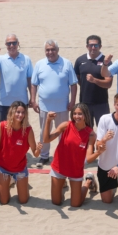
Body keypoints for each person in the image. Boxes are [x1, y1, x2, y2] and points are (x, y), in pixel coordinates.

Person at [31, 39, 78, 168]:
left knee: (63, 132)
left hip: (63, 107)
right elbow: (34, 84)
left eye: (52, 49)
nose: (50, 52)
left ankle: (62, 154)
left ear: (57, 50)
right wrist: (33, 101)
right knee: (44, 132)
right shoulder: (40, 64)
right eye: (47, 50)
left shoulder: (67, 63)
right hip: (44, 107)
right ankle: (44, 156)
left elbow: (73, 84)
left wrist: (72, 102)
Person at [42, 104, 98, 207]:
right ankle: (62, 182)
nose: (77, 116)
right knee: (56, 202)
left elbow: (89, 158)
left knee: (76, 204)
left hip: (75, 169)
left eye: (80, 114)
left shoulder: (91, 134)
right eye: (75, 114)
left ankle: (89, 181)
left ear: (85, 115)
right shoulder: (66, 125)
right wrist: (48, 121)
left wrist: (99, 152)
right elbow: (46, 140)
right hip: (60, 166)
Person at [0, 101, 42, 205]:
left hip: (20, 168)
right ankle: (8, 181)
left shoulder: (28, 130)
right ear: (12, 112)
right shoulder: (2, 126)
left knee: (23, 200)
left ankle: (14, 181)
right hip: (4, 167)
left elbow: (35, 154)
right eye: (18, 112)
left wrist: (39, 149)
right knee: (4, 201)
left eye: (23, 113)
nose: (20, 115)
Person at [0, 33, 33, 121]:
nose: (11, 45)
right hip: (5, 102)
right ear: (6, 45)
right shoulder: (0, 59)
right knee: (5, 130)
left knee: (22, 130)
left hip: (22, 102)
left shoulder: (26, 59)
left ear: (18, 43)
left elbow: (29, 79)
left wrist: (32, 98)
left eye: (14, 43)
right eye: (9, 43)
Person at [74, 35, 113, 126]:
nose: (93, 48)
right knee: (86, 131)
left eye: (96, 45)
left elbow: (108, 83)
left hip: (101, 103)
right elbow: (78, 79)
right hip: (85, 103)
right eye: (91, 45)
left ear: (100, 46)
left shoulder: (106, 61)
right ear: (87, 46)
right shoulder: (80, 60)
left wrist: (94, 80)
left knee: (104, 130)